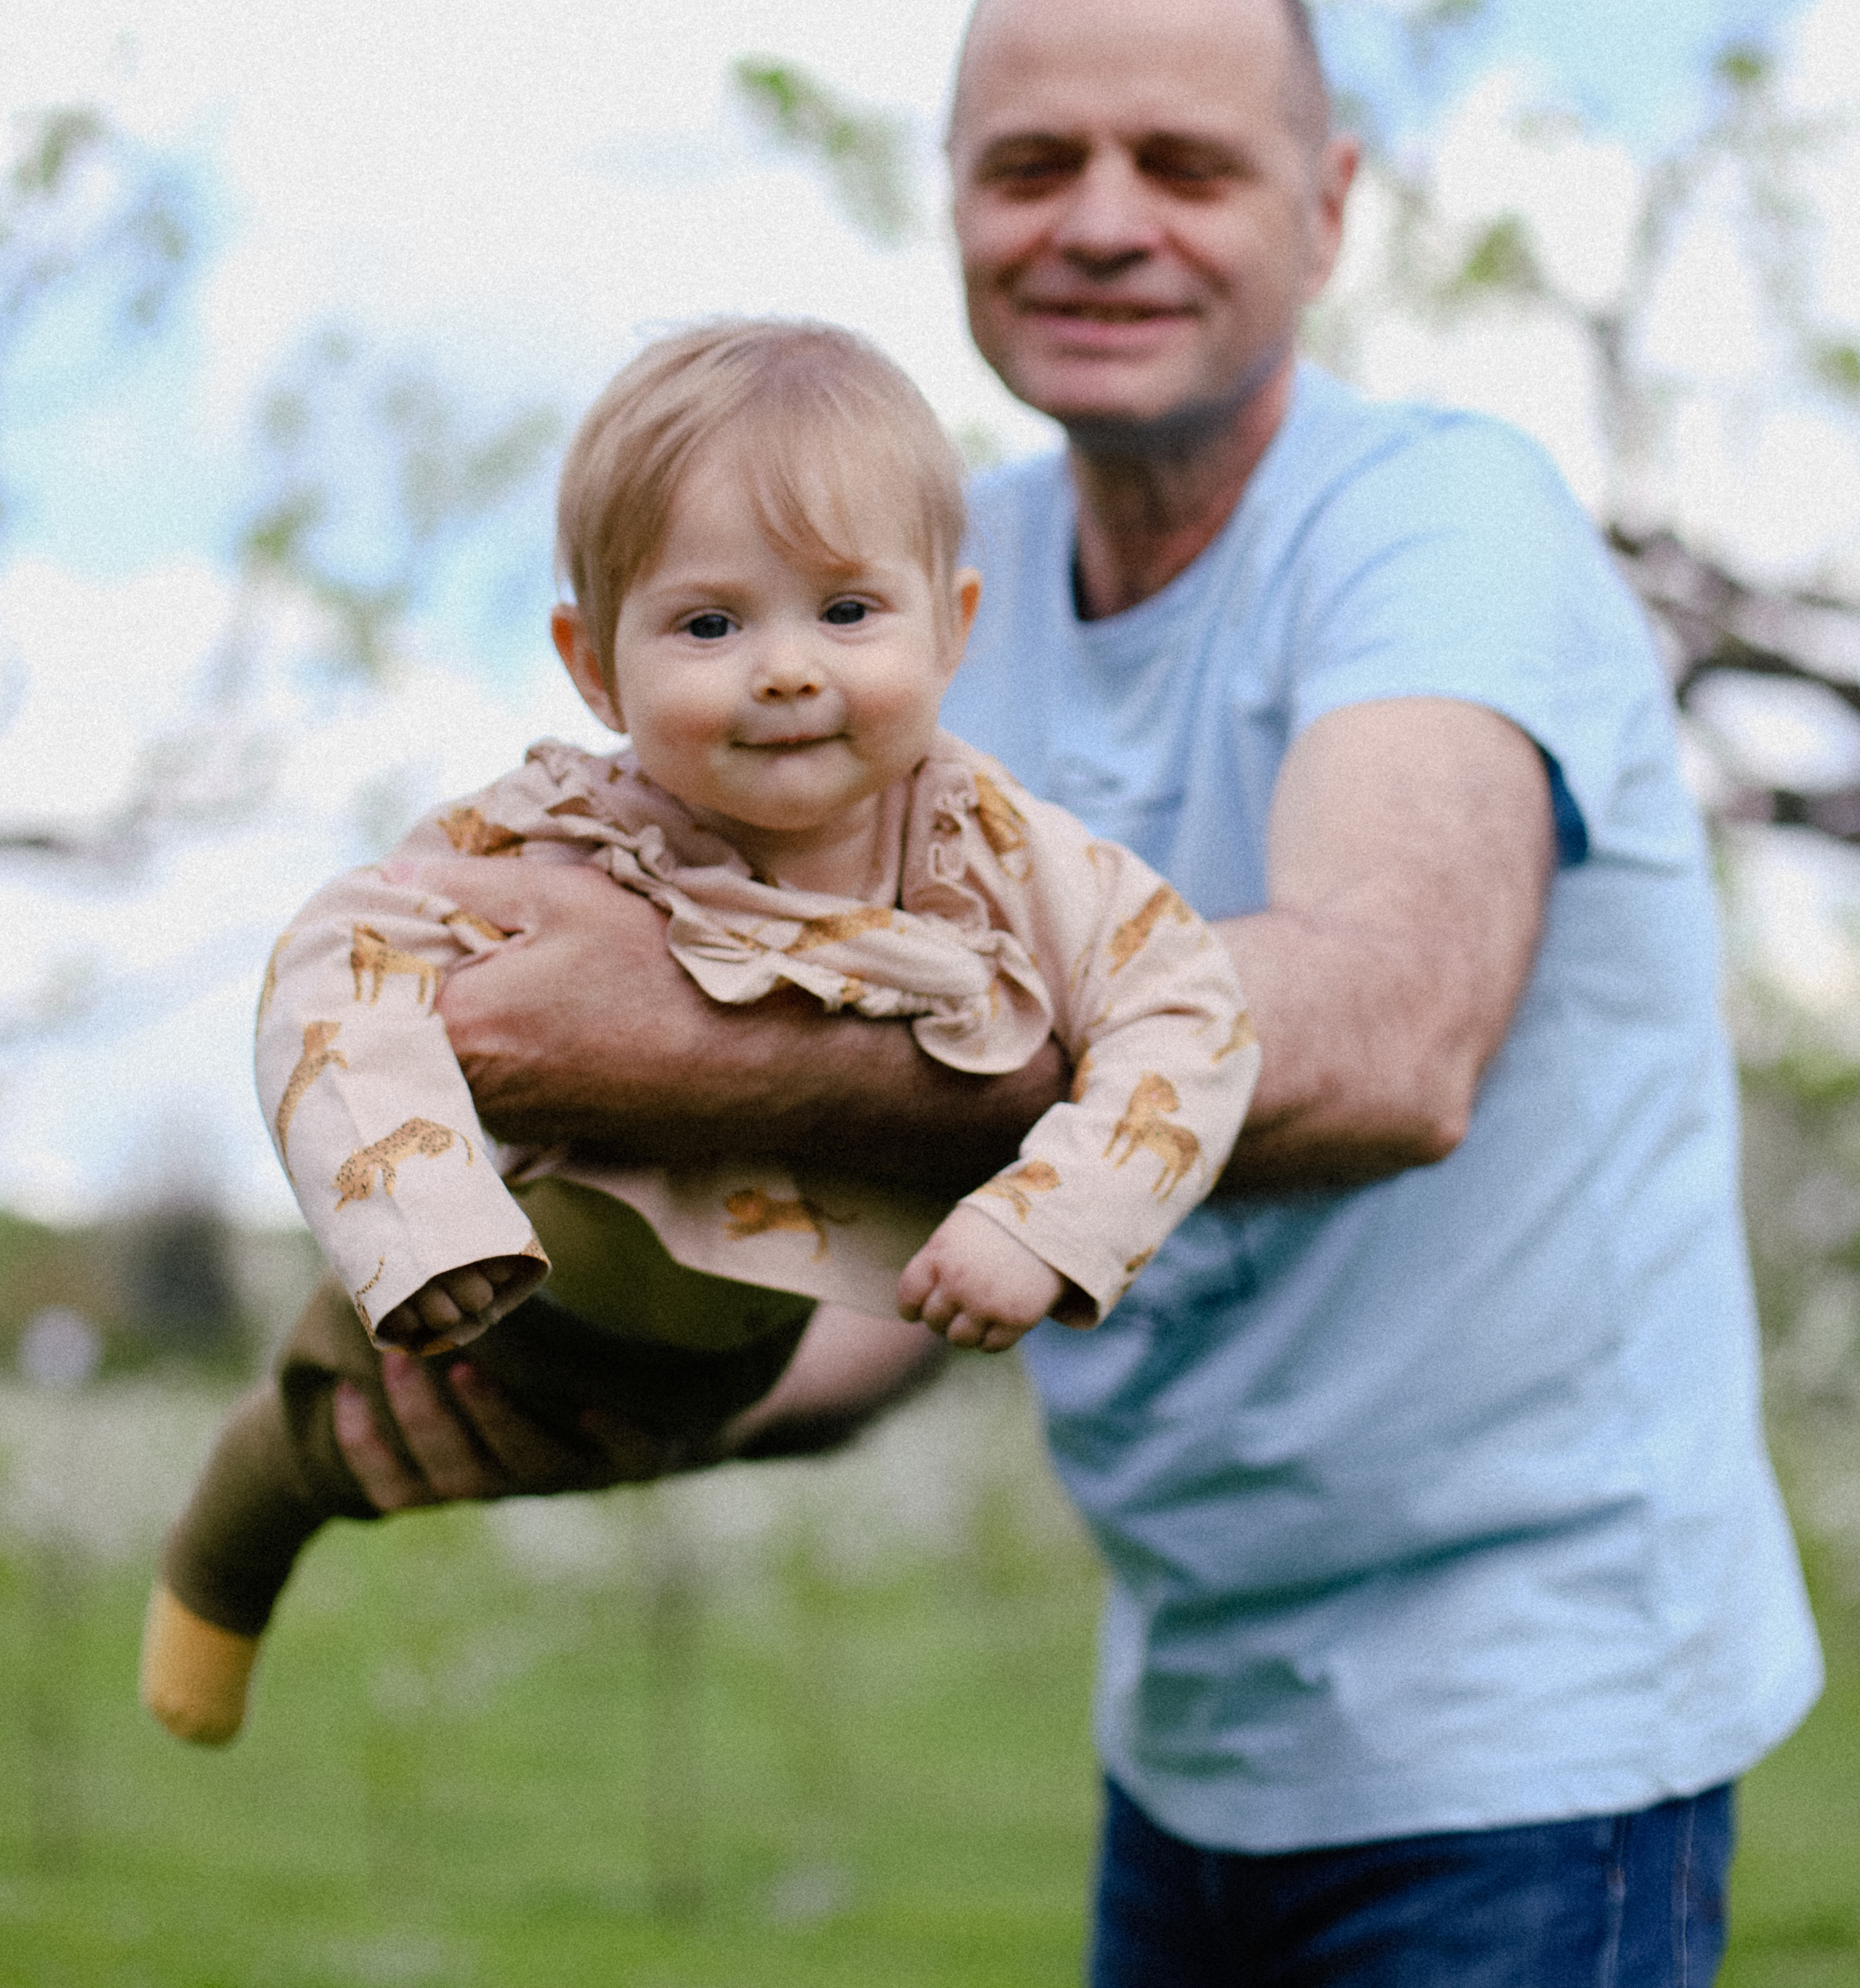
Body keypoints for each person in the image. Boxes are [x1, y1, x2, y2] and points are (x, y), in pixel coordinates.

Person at [326, 0, 1822, 1987]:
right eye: (1032, 166)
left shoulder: (1442, 530)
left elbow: (1389, 1038)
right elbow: (904, 1171)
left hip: (1533, 1737)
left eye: (1183, 165)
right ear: (951, 198)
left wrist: (673, 1048)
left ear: (1327, 208)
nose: (1101, 224)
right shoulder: (931, 599)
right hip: (1196, 1735)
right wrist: (648, 1369)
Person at [140, 318, 1254, 1748]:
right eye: (710, 624)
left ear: (953, 627)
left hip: (734, 1365)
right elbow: (337, 953)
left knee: (559, 1470)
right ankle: (214, 1576)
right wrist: (421, 1223)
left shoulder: (991, 849)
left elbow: (1191, 1006)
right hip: (494, 1292)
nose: (785, 669)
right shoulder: (561, 833)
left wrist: (1049, 1217)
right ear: (593, 663)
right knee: (311, 1448)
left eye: (847, 613)